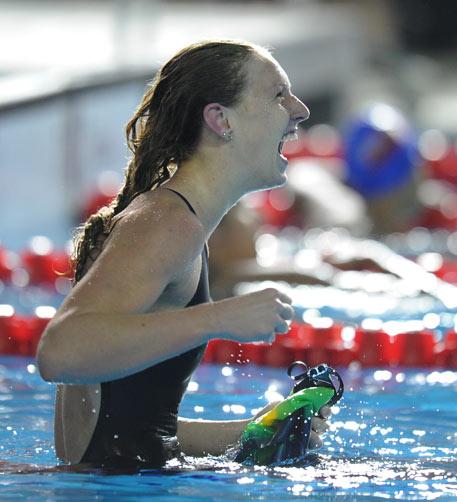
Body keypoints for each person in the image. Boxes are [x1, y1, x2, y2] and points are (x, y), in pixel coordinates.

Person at [36, 40, 331, 469]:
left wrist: (253, 431)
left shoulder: (177, 221)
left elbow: (125, 427)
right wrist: (219, 317)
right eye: (277, 95)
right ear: (220, 119)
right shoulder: (166, 223)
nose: (299, 109)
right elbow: (59, 352)